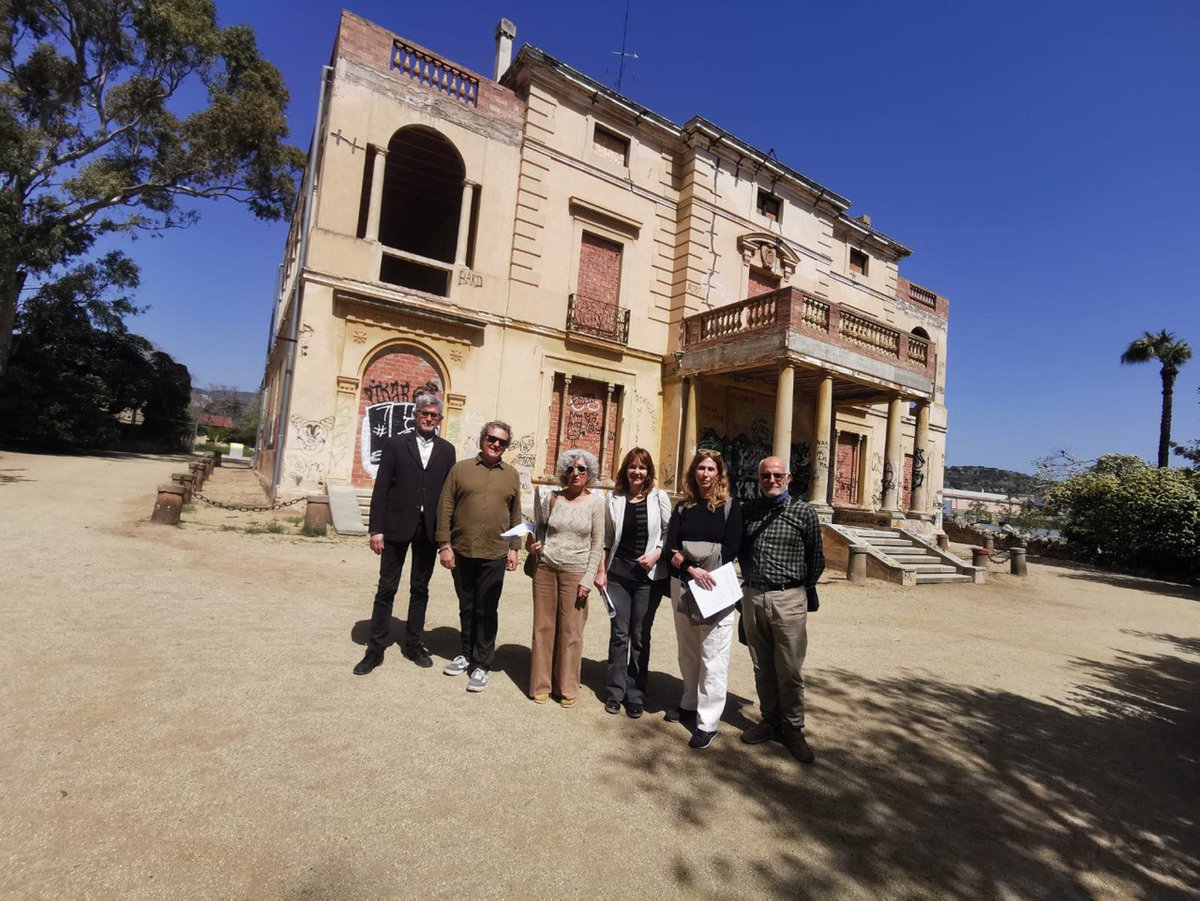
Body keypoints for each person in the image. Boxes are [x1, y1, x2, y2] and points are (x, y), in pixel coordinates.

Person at [355, 392, 456, 675]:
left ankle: (413, 643)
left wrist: (446, 537)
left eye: (434, 415)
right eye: (424, 413)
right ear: (415, 415)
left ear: (440, 420)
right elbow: (382, 488)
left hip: (428, 531)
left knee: (420, 590)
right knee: (387, 588)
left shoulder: (447, 451)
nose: (429, 418)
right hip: (396, 526)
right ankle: (374, 650)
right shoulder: (396, 444)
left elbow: (448, 496)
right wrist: (376, 529)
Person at [738, 455, 825, 764]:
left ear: (788, 478)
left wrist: (796, 589)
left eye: (777, 476)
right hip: (753, 596)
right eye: (765, 476)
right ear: (759, 479)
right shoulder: (748, 511)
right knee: (762, 665)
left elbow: (817, 560)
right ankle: (770, 720)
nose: (771, 481)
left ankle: (792, 728)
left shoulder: (804, 513)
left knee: (789, 669)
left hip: (789, 597)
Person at [435, 420, 522, 693]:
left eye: (502, 442)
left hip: (495, 553)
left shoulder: (511, 474)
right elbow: (445, 506)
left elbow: (516, 514)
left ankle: (482, 664)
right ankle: (465, 654)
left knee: (487, 609)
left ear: (506, 446)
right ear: (482, 440)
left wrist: (515, 548)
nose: (496, 444)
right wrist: (444, 545)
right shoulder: (460, 469)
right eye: (492, 439)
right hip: (462, 551)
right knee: (467, 605)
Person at [664, 449, 742, 750]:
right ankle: (689, 701)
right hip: (684, 583)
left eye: (711, 469)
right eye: (700, 469)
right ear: (693, 473)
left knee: (714, 654)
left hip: (714, 586)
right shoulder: (683, 507)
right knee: (688, 650)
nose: (705, 474)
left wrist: (695, 561)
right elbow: (671, 547)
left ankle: (707, 722)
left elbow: (731, 548)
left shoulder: (730, 508)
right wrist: (689, 567)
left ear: (719, 474)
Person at [594, 447, 671, 718]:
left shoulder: (658, 498)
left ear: (648, 472)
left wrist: (656, 554)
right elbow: (605, 539)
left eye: (642, 467)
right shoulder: (612, 499)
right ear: (625, 470)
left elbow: (667, 533)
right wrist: (601, 571)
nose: (637, 472)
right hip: (618, 576)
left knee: (640, 636)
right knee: (619, 634)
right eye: (632, 467)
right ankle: (615, 692)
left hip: (648, 579)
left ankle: (636, 694)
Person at [524, 449, 605, 706]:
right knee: (543, 627)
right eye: (570, 469)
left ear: (589, 472)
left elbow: (598, 543)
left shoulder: (596, 503)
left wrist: (588, 578)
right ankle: (540, 683)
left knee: (571, 631)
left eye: (581, 469)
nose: (575, 474)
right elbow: (537, 532)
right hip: (546, 568)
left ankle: (567, 685)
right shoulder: (552, 498)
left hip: (576, 572)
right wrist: (533, 546)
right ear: (563, 472)